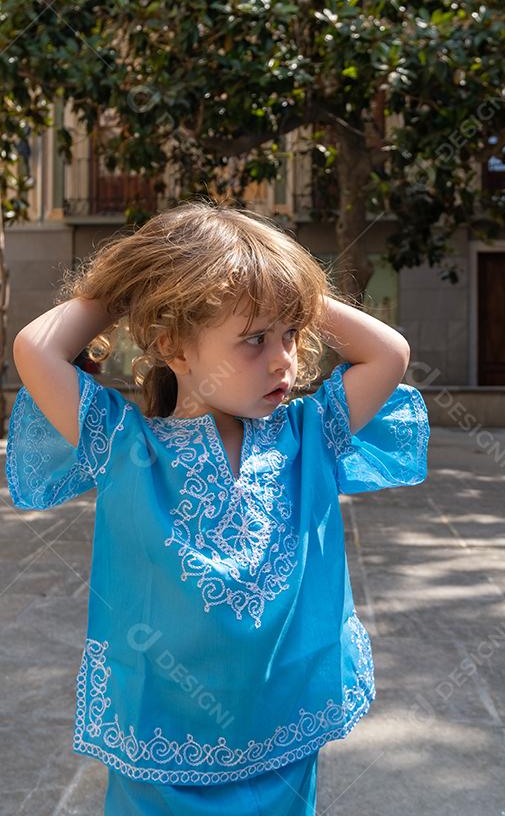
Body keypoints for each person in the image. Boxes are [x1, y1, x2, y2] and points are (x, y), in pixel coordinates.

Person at [5, 198, 430, 816]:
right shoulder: (125, 445)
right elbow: (34, 347)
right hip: (157, 747)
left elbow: (388, 352)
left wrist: (285, 282)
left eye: (291, 334)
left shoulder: (311, 433)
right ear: (175, 345)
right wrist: (135, 280)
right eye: (254, 340)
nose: (283, 358)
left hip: (284, 736)